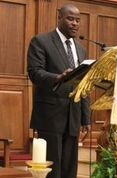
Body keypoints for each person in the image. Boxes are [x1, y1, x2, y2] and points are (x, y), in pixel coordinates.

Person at [27, 4, 91, 178]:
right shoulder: (41, 41)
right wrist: (58, 77)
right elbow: (35, 72)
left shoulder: (81, 49)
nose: (75, 24)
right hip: (50, 115)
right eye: (70, 19)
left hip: (74, 116)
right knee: (52, 170)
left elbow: (84, 85)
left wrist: (86, 118)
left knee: (70, 170)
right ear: (59, 18)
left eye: (78, 20)